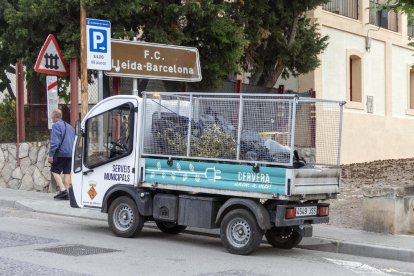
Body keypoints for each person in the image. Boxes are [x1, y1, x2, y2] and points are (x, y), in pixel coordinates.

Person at [48, 109, 75, 200]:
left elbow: (55, 142)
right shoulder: (70, 127)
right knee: (67, 172)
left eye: (51, 116)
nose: (51, 118)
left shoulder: (56, 125)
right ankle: (67, 191)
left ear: (54, 116)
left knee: (54, 170)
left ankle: (63, 189)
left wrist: (51, 154)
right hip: (70, 153)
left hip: (61, 153)